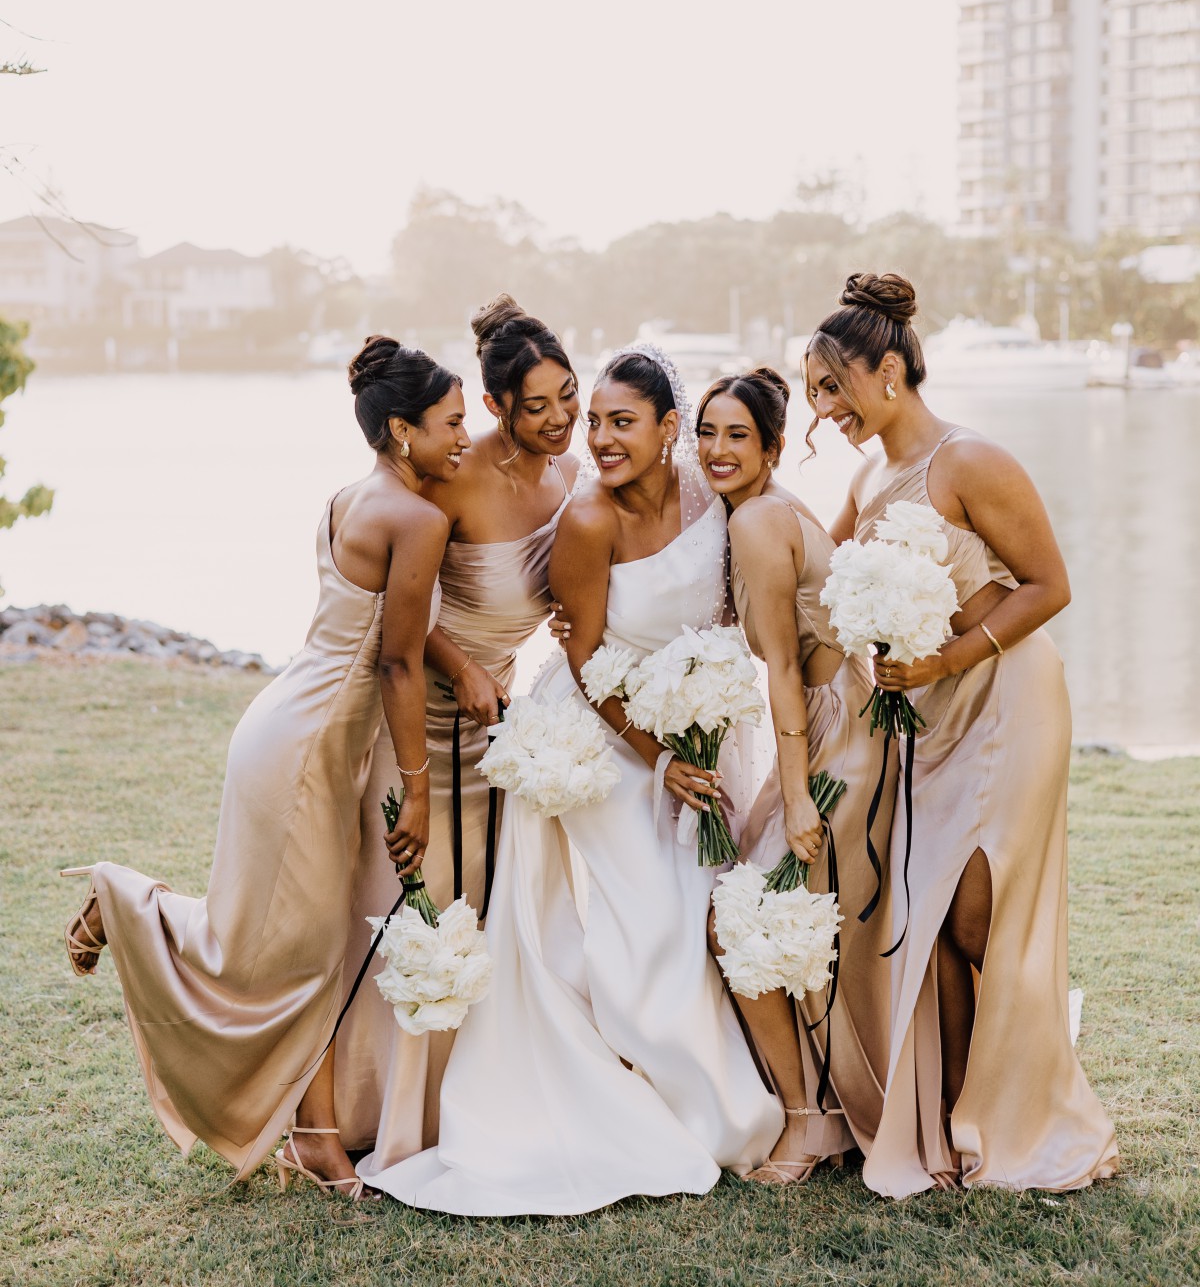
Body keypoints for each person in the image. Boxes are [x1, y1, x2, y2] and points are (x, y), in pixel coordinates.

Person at [361, 347, 781, 1214]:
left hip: (702, 721)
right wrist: (660, 759)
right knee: (648, 930)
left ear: (673, 429)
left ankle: (718, 1085)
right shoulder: (588, 520)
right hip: (609, 737)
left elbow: (750, 575)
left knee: (706, 905)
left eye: (616, 420)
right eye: (590, 420)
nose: (594, 437)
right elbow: (584, 658)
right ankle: (662, 1099)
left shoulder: (712, 490)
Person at [61, 338, 468, 1198]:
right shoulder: (418, 518)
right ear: (402, 429)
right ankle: (131, 904)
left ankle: (315, 1137)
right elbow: (396, 664)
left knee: (305, 952)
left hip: (286, 724)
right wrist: (418, 790)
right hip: (309, 747)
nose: (464, 436)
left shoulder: (347, 498)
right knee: (278, 951)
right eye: (452, 421)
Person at [807, 272, 1118, 1196]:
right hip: (927, 720)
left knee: (978, 912)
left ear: (891, 370)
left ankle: (1036, 1105)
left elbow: (1050, 584)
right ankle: (949, 1129)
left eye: (835, 386)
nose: (828, 408)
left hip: (1006, 698)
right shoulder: (865, 477)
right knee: (932, 919)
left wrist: (945, 660)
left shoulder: (971, 459)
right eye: (816, 392)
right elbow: (817, 581)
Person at [347, 296, 579, 1182]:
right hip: (432, 712)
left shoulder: (565, 481)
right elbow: (402, 616)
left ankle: (469, 1102)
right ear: (495, 410)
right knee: (428, 906)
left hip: (502, 722)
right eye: (537, 405)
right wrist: (462, 665)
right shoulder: (449, 476)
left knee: (483, 905)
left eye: (568, 395)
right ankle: (398, 1115)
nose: (559, 418)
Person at [696, 366, 894, 1183]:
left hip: (828, 728)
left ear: (774, 446)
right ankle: (827, 1106)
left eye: (737, 434)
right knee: (794, 915)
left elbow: (781, 669)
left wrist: (800, 793)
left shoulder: (757, 522)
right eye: (705, 432)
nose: (716, 449)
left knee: (742, 916)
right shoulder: (770, 511)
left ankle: (810, 1120)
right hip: (842, 711)